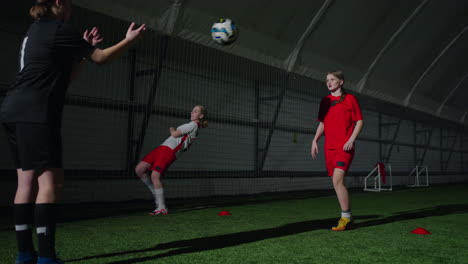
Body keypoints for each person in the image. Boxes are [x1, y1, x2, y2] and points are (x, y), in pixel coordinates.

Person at [0, 1, 146, 263]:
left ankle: (24, 254)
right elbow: (101, 58)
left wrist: (79, 52)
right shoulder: (60, 29)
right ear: (59, 3)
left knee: (25, 183)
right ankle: (46, 257)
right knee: (50, 183)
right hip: (37, 112)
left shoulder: (36, 29)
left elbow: (63, 79)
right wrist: (128, 40)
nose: (72, 9)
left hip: (13, 109)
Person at [311, 70, 363, 231]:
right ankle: (349, 218)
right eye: (327, 80)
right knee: (337, 182)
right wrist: (315, 140)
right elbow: (323, 123)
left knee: (337, 180)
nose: (329, 82)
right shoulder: (325, 101)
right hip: (329, 148)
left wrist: (351, 139)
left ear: (341, 82)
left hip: (344, 147)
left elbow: (359, 121)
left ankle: (345, 218)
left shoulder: (350, 99)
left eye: (332, 79)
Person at [135, 105, 208, 215]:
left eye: (195, 111)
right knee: (139, 169)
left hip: (169, 151)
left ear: (201, 116)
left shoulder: (193, 125)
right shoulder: (191, 125)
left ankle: (161, 207)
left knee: (155, 176)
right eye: (192, 110)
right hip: (162, 148)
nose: (192, 112)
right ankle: (155, 192)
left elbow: (174, 134)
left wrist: (171, 128)